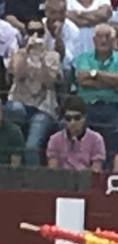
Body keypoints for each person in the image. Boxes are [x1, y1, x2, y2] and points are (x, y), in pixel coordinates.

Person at [4, 18, 61, 165]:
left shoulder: (53, 55)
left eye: (40, 32)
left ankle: (33, 181)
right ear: (26, 34)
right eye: (31, 32)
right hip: (19, 102)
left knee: (31, 147)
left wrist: (41, 58)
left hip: (43, 107)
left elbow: (49, 81)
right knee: (14, 109)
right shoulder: (17, 53)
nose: (36, 35)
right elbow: (18, 74)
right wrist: (26, 52)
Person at [75, 23, 118, 157]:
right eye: (99, 37)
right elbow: (82, 80)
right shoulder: (83, 57)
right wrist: (111, 83)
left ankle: (111, 164)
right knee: (67, 124)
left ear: (114, 41)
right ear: (93, 40)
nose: (103, 40)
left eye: (107, 37)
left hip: (115, 108)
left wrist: (94, 74)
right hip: (88, 108)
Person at [46, 94, 106, 170]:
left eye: (77, 118)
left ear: (84, 117)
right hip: (62, 180)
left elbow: (96, 172)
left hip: (85, 179)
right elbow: (53, 172)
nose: (72, 122)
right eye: (68, 118)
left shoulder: (96, 139)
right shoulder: (54, 140)